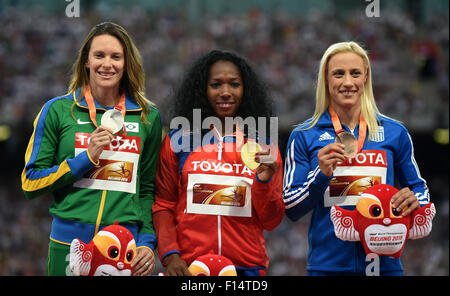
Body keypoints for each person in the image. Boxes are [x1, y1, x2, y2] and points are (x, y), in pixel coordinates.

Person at [21, 22, 161, 276]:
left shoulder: (147, 118)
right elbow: (30, 182)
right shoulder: (58, 111)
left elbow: (147, 189)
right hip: (69, 245)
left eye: (116, 57)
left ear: (126, 63)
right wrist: (85, 158)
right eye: (99, 55)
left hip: (122, 248)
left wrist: (147, 243)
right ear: (86, 61)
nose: (107, 64)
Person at [283, 41, 430, 276]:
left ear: (365, 78)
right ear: (326, 79)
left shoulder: (395, 132)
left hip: (385, 267)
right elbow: (291, 207)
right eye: (338, 74)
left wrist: (415, 203)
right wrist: (320, 174)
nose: (348, 82)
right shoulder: (304, 135)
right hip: (327, 268)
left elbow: (418, 188)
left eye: (355, 73)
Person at [152, 50, 285, 276]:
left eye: (234, 84)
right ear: (203, 90)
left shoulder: (263, 145)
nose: (225, 92)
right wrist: (171, 255)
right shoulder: (178, 141)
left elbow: (272, 220)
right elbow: (164, 205)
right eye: (216, 85)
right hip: (191, 266)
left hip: (247, 268)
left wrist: (263, 182)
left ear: (245, 90)